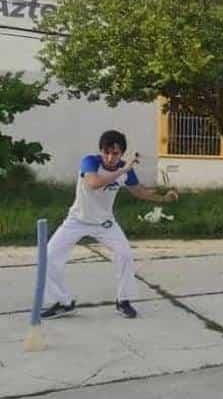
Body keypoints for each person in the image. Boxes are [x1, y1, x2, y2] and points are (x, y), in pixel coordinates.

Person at [41, 130, 179, 319]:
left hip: (105, 223)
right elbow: (93, 183)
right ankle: (63, 302)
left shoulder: (125, 169)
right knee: (48, 255)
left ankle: (124, 301)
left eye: (115, 153)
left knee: (125, 255)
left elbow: (139, 191)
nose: (110, 157)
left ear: (122, 153)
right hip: (77, 221)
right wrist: (123, 170)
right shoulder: (90, 162)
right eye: (106, 152)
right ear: (100, 151)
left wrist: (164, 199)